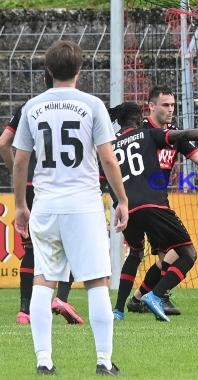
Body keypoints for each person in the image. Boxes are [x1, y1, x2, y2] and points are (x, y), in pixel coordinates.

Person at [12, 40, 128, 375]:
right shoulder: (92, 105)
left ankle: (44, 360)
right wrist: (121, 199)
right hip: (83, 205)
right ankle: (104, 361)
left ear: (48, 71)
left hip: (46, 204)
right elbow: (107, 157)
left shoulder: (33, 107)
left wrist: (21, 205)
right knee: (96, 282)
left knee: (43, 281)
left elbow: (21, 161)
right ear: (80, 70)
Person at [105, 102, 198, 322]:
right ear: (142, 114)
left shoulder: (110, 145)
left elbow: (105, 179)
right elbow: (186, 134)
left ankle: (119, 310)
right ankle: (156, 296)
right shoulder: (149, 134)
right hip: (154, 205)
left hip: (128, 207)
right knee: (188, 253)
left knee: (136, 254)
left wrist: (119, 205)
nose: (171, 109)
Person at [0, 71, 84, 325]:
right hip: (62, 184)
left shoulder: (30, 107)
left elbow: (3, 143)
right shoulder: (79, 105)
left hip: (29, 183)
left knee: (32, 249)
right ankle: (62, 298)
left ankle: (24, 311)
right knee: (70, 243)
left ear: (44, 81)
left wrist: (18, 170)